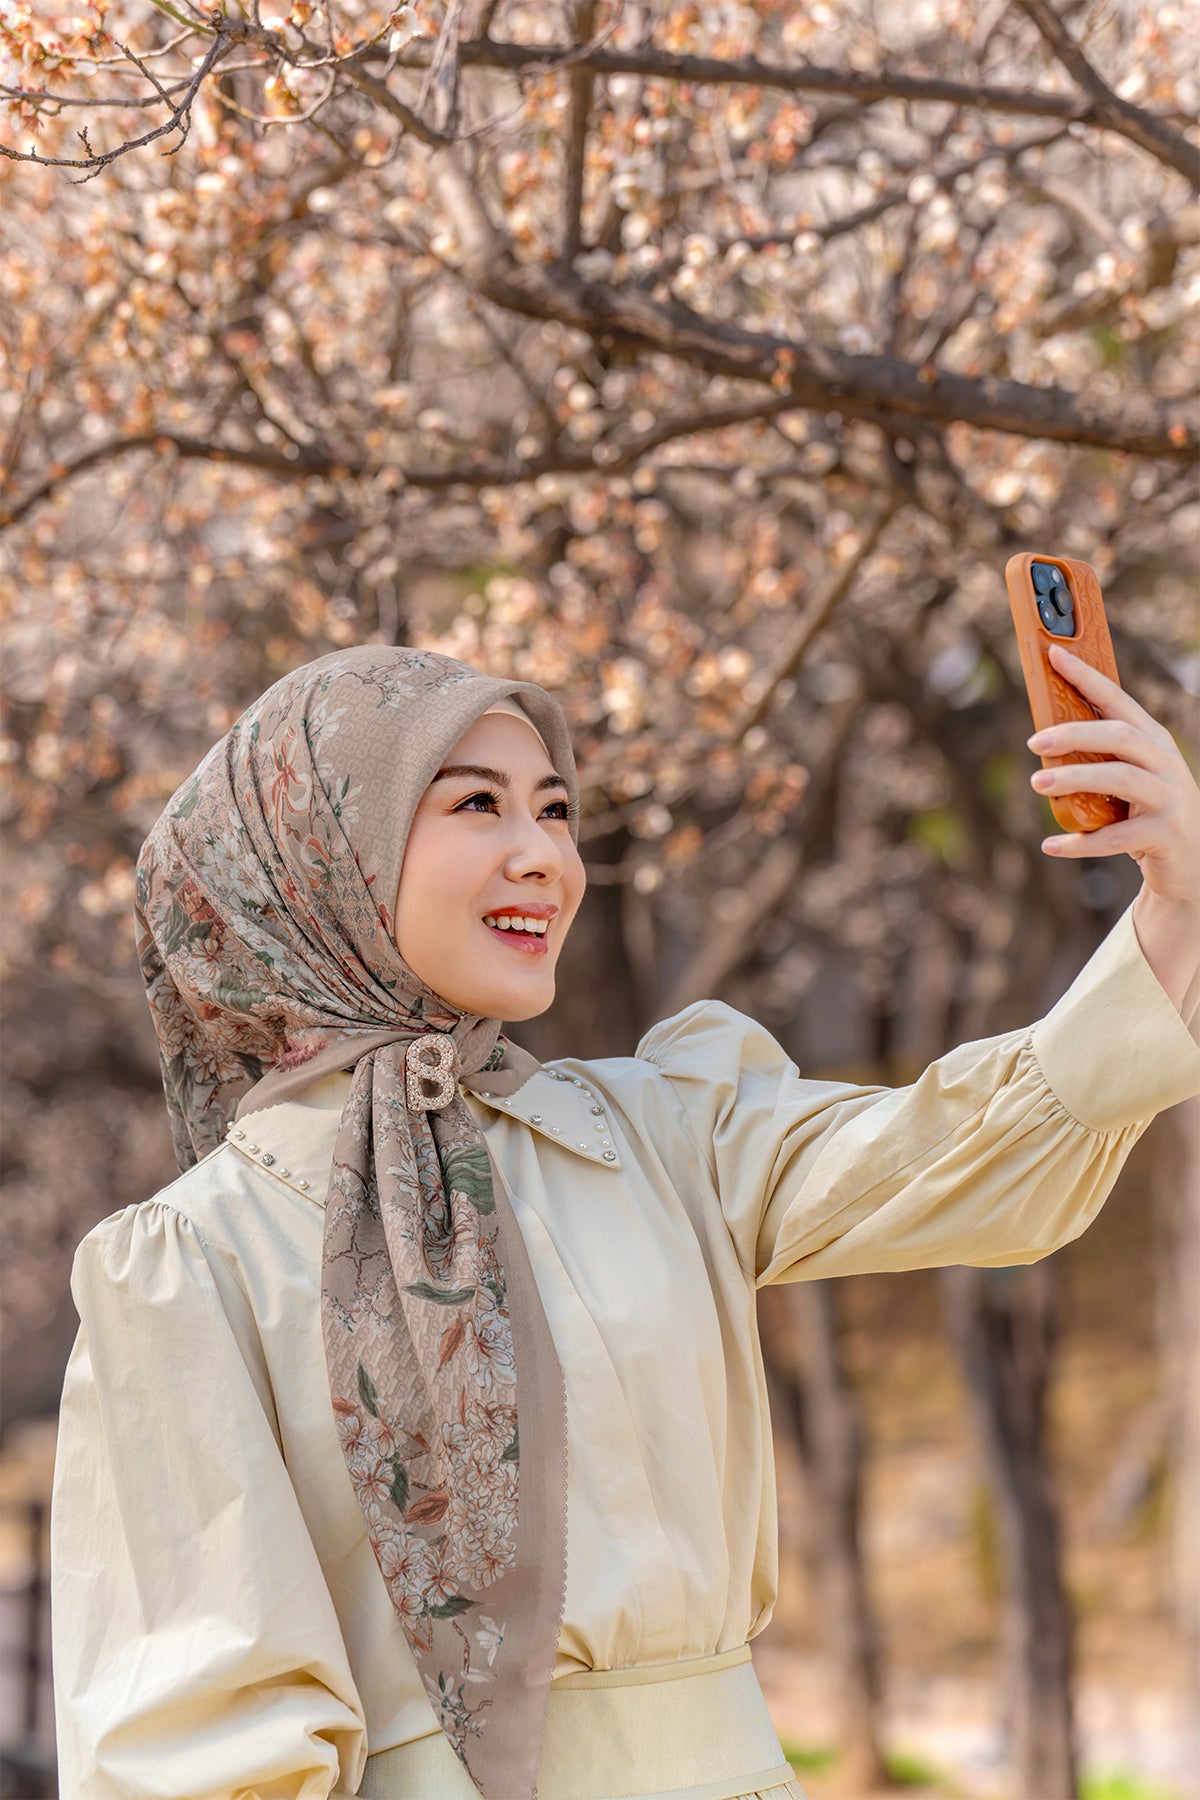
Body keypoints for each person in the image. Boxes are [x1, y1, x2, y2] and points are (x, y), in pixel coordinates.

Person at [50, 643, 1199, 1800]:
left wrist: (1179, 907)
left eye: (555, 810)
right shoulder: (193, 1262)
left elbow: (969, 1157)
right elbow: (192, 1746)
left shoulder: (662, 1133)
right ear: (317, 860)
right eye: (478, 807)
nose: (544, 857)